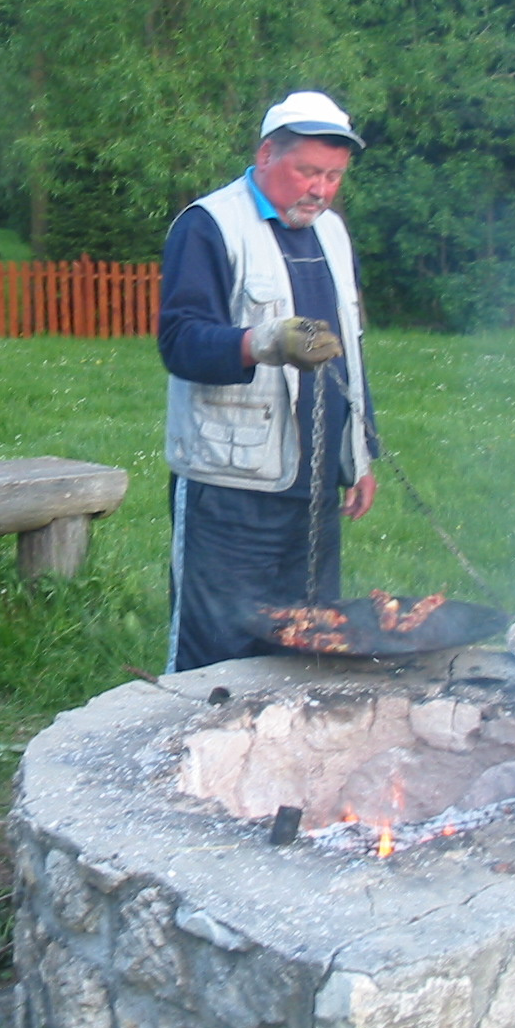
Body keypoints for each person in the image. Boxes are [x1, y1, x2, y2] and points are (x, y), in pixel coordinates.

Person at [158, 91, 378, 673]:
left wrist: (361, 454)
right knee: (217, 651)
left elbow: (349, 351)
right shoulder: (208, 226)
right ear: (265, 155)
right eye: (308, 171)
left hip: (314, 487)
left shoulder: (332, 232)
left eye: (333, 176)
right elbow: (179, 342)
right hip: (230, 487)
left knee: (308, 643)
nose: (321, 190)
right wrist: (261, 342)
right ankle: (194, 758)